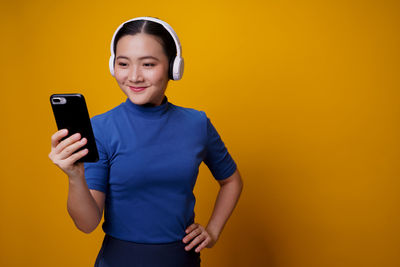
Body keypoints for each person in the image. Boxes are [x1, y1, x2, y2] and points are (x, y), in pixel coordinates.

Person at [48, 16, 243, 267]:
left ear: (174, 67)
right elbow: (87, 224)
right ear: (113, 66)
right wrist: (75, 176)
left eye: (148, 64)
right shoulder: (101, 128)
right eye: (123, 64)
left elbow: (231, 180)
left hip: (181, 260)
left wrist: (213, 231)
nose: (134, 76)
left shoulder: (197, 124)